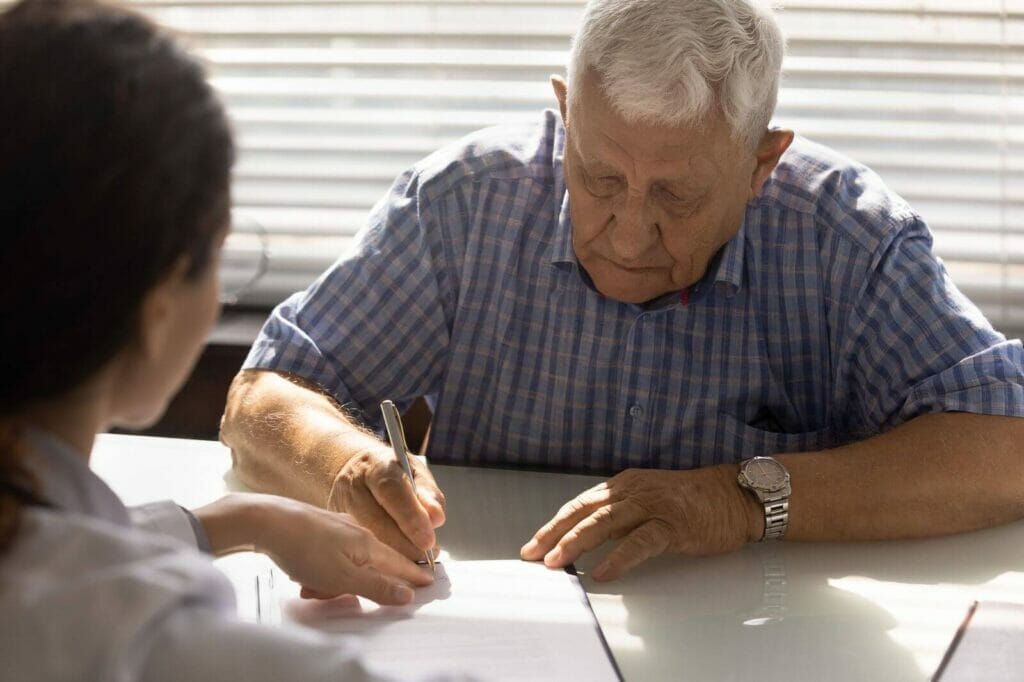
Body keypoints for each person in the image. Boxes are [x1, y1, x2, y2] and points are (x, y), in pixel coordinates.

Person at [221, 0, 1024, 583]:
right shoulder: (465, 201)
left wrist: (743, 497)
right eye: (601, 177)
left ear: (760, 164)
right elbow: (261, 398)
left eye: (676, 197)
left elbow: (1004, 449)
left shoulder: (845, 236)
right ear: (566, 115)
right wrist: (348, 464)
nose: (629, 233)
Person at [0, 1, 441, 679]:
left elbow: (51, 545)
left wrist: (244, 519)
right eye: (216, 255)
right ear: (156, 308)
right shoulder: (144, 635)